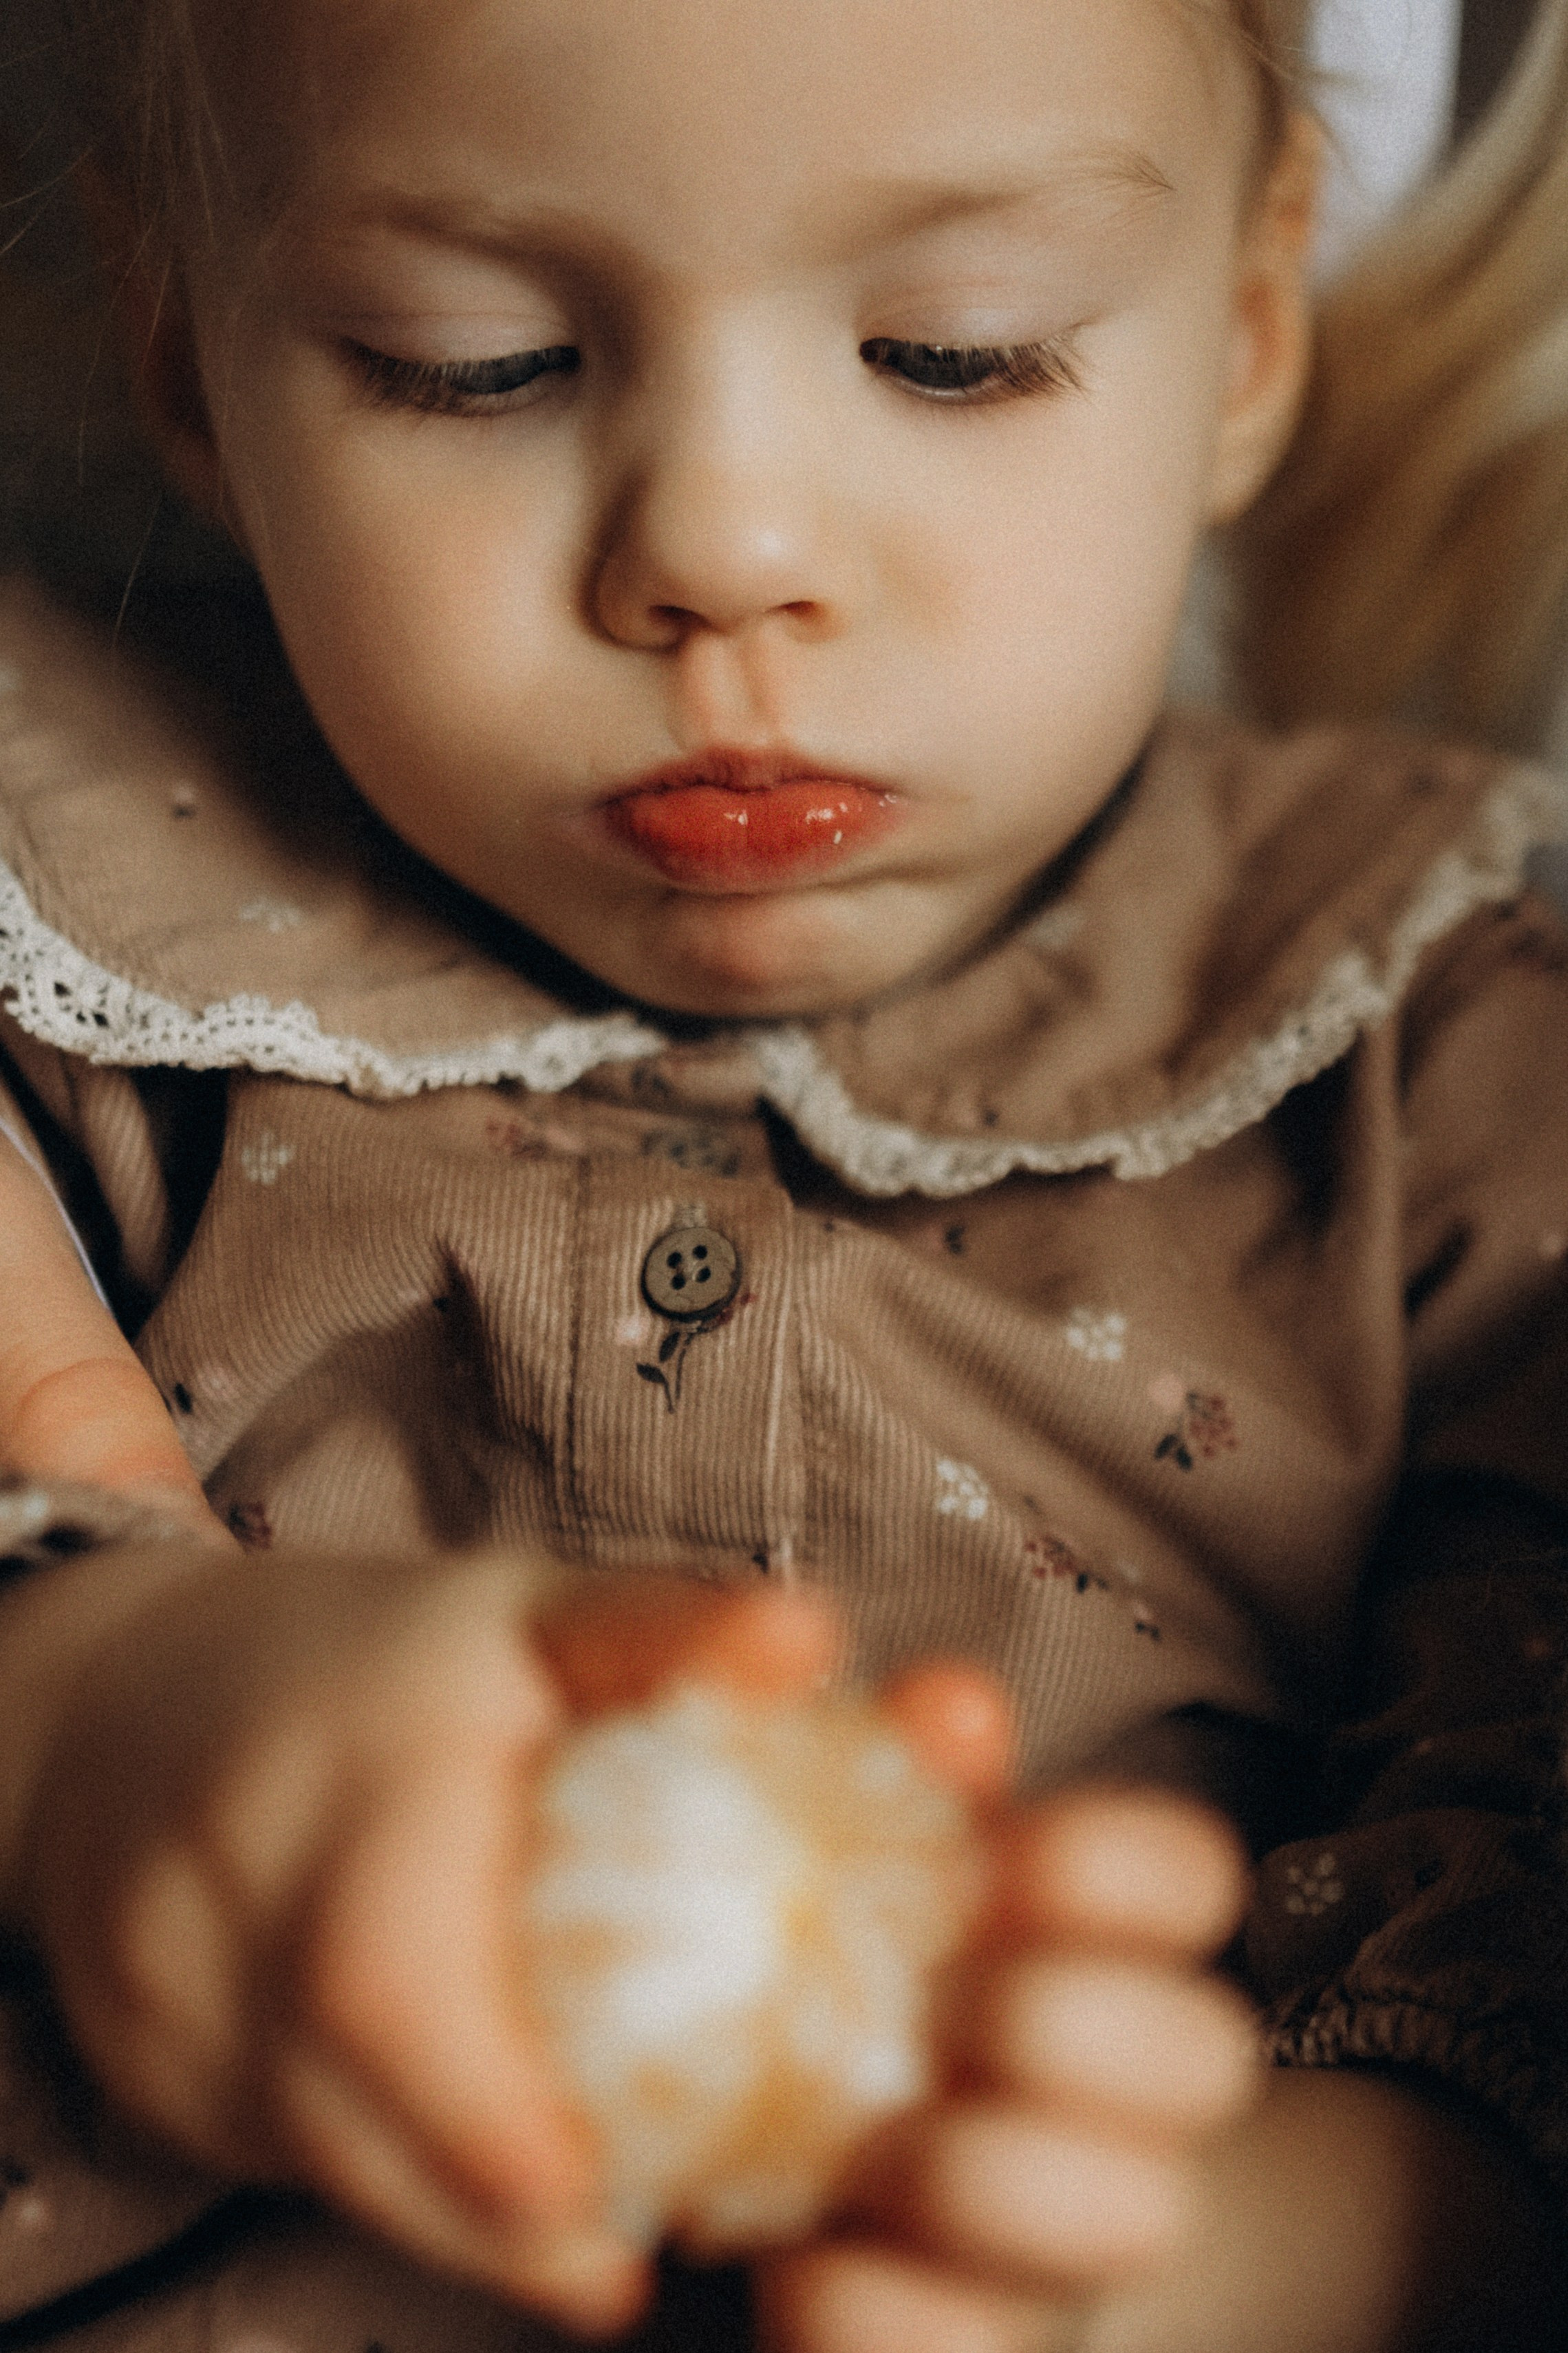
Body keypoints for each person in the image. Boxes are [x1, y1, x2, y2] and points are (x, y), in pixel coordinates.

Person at [0, 0, 1564, 2345]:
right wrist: (89, 1695)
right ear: (189, 357)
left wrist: (1246, 2248)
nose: (723, 553)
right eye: (472, 363)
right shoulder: (63, 885)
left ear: (1245, 338)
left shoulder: (1451, 1038)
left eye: (957, 353)